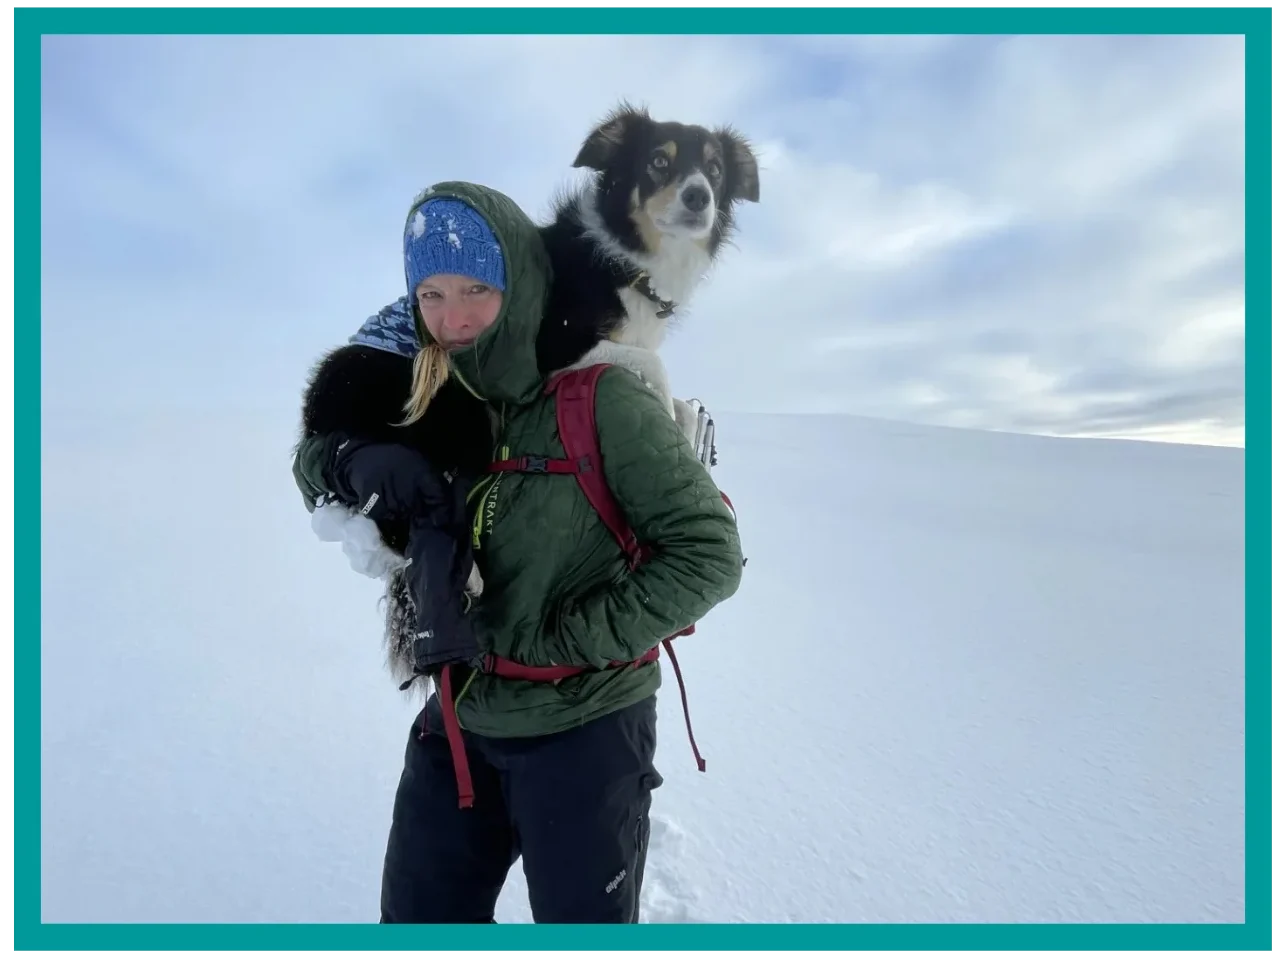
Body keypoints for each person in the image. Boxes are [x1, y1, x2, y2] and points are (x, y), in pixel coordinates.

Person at [291, 181, 744, 924]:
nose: (453, 315)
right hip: (459, 719)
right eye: (430, 293)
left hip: (584, 732)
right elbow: (309, 460)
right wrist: (348, 461)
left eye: (476, 287)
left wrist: (569, 639)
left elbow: (709, 554)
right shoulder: (431, 388)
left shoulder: (600, 399)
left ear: (520, 281)